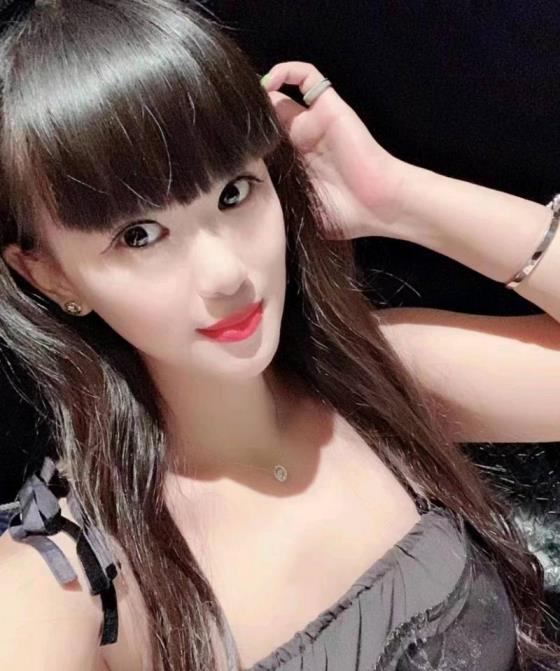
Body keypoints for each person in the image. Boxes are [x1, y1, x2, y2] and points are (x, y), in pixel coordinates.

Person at [0, 1, 559, 670]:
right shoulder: (66, 586)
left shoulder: (374, 381)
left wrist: (400, 200)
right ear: (50, 274)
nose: (226, 273)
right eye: (139, 236)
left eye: (235, 193)